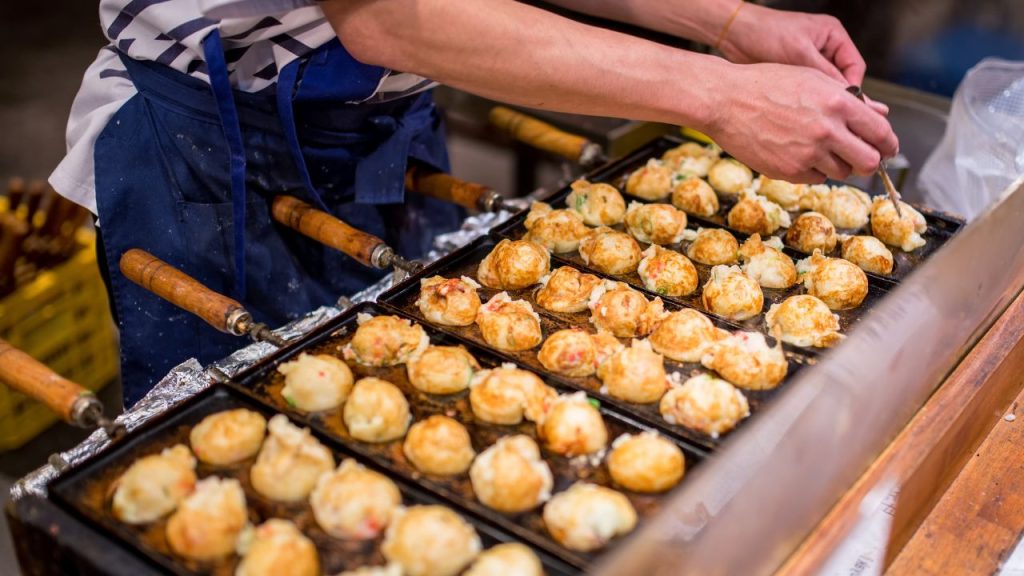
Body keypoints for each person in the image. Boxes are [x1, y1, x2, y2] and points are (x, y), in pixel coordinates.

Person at [50, 0, 897, 406]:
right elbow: (390, 14)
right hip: (211, 147)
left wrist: (729, 23)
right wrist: (717, 95)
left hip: (377, 122)